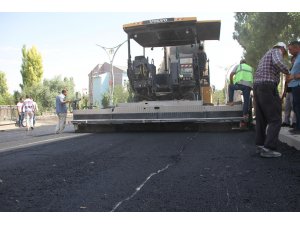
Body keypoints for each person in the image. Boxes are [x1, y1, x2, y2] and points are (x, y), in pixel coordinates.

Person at [253, 42, 290, 158]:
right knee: (276, 119)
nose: (283, 55)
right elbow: (278, 62)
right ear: (282, 48)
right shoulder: (276, 51)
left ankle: (260, 145)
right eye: (284, 52)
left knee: (261, 118)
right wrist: (288, 72)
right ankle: (268, 148)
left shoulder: (265, 55)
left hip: (257, 86)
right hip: (267, 86)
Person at [227, 59, 253, 125]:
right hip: (248, 86)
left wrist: (232, 83)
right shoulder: (250, 67)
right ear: (245, 63)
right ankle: (245, 115)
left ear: (240, 63)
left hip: (240, 84)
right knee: (246, 101)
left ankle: (231, 102)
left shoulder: (238, 66)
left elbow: (231, 74)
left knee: (230, 86)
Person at [287, 41, 300, 134]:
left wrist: (293, 76)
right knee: (296, 107)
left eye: (290, 49)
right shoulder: (297, 58)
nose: (289, 51)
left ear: (296, 47)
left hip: (298, 85)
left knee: (298, 107)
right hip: (294, 86)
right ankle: (298, 127)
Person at [281, 55, 296, 128]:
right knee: (287, 107)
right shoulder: (290, 69)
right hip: (288, 90)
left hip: (294, 90)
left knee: (295, 107)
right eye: (292, 60)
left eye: (295, 60)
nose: (293, 61)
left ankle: (294, 122)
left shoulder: (297, 69)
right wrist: (284, 92)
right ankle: (286, 121)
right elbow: (286, 81)